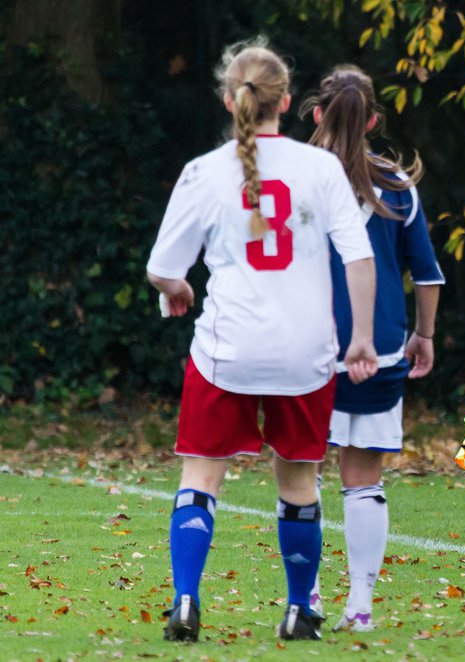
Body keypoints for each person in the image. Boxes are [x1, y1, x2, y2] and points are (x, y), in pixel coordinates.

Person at [146, 39, 379, 642]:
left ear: (230, 100)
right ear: (286, 101)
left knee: (200, 478)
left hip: (228, 350)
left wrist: (177, 290)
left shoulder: (204, 171)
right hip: (306, 351)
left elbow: (162, 267)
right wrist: (359, 338)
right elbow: (359, 258)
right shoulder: (321, 168)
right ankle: (300, 610)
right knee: (299, 482)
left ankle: (187, 600)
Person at [303, 65, 445, 633]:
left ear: (315, 113)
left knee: (300, 476)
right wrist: (424, 333)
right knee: (363, 479)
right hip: (379, 351)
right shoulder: (398, 185)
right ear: (374, 121)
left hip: (305, 350)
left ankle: (305, 598)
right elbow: (427, 275)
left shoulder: (295, 179)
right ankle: (359, 606)